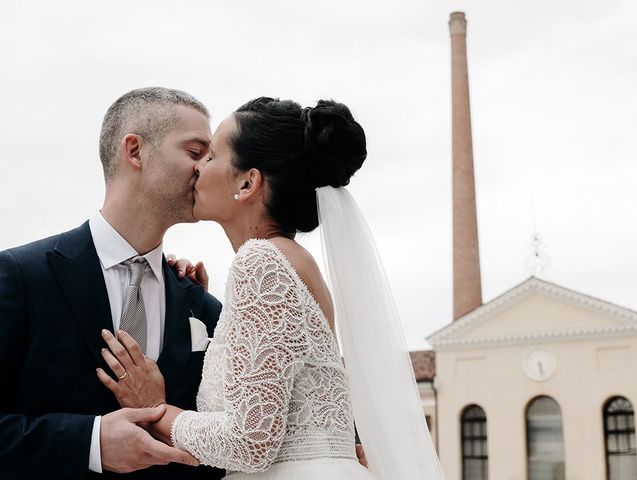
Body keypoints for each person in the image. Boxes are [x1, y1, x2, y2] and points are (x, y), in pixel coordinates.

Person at [98, 97, 444, 479]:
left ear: (248, 182)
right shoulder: (289, 263)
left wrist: (158, 409)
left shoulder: (260, 263)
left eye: (211, 156)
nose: (198, 167)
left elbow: (250, 443)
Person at [0, 87, 225, 479]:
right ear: (134, 151)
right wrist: (89, 442)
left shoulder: (203, 306)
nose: (206, 168)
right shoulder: (21, 275)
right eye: (195, 152)